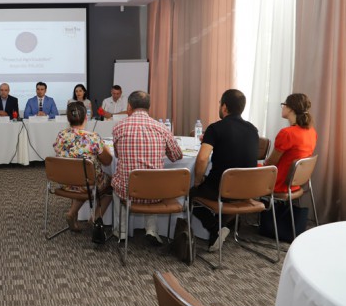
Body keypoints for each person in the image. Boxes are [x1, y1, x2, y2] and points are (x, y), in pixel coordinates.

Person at [190, 89, 259, 251]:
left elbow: (202, 158)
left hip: (222, 188)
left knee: (191, 194)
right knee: (228, 197)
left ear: (224, 107)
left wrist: (198, 181)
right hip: (247, 189)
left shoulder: (215, 128)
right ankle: (222, 227)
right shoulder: (253, 130)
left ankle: (215, 227)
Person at [112, 91, 182, 245]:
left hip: (128, 191)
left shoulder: (119, 127)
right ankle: (151, 230)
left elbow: (117, 155)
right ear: (149, 107)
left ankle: (122, 231)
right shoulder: (162, 128)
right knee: (153, 180)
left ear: (129, 106)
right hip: (155, 193)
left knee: (117, 181)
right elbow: (176, 156)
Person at [53, 102, 113, 242]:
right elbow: (107, 161)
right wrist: (105, 149)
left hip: (66, 182)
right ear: (86, 117)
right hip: (88, 184)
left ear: (68, 119)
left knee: (83, 179)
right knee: (112, 184)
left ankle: (72, 213)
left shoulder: (61, 135)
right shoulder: (93, 137)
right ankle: (96, 218)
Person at [264, 93, 317, 193]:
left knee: (246, 172)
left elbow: (271, 163)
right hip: (294, 184)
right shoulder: (311, 132)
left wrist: (262, 164)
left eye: (284, 105)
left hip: (279, 183)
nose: (283, 107)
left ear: (291, 109)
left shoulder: (287, 133)